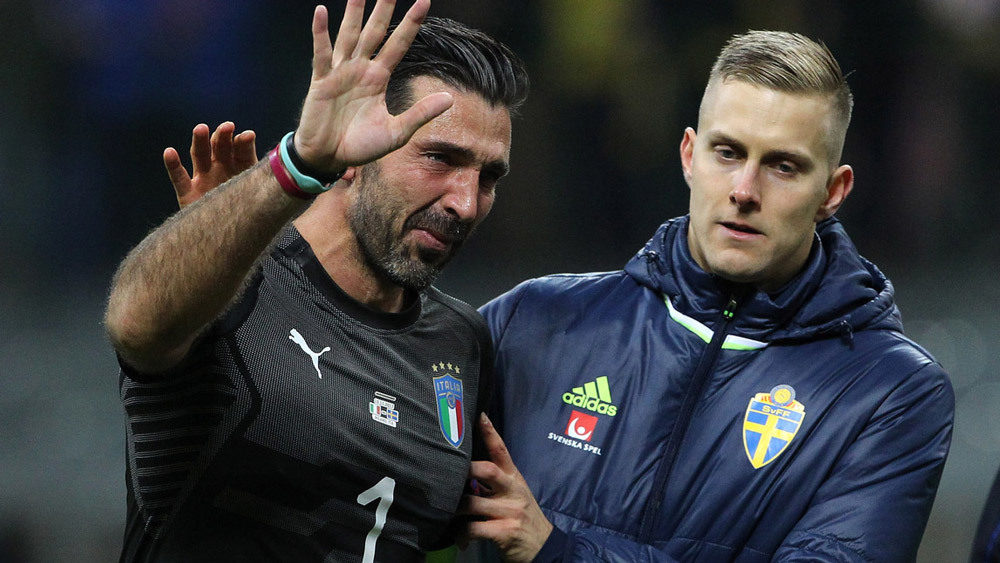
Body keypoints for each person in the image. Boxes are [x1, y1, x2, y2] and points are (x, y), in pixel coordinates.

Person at [462, 30, 954, 562]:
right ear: (689, 156)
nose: (744, 190)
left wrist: (559, 552)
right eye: (728, 153)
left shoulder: (889, 393)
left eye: (783, 166)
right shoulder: (536, 321)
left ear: (831, 193)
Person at [103, 0, 528, 560]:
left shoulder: (461, 342)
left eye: (488, 176)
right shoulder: (236, 288)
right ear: (357, 147)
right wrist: (295, 167)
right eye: (439, 158)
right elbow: (133, 323)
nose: (466, 203)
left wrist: (545, 543)